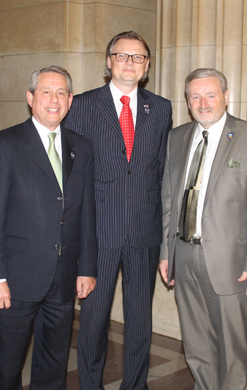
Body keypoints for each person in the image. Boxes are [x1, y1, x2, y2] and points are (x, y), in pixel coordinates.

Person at [63, 31, 173, 389]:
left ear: (147, 66)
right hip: (98, 234)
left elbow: (160, 171)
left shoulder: (160, 108)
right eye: (122, 56)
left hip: (144, 232)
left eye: (138, 57)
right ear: (108, 61)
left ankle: (135, 385)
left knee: (140, 322)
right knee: (93, 322)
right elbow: (71, 176)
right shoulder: (80, 105)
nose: (130, 63)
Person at [0, 65, 97, 390]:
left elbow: (86, 212)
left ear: (70, 100)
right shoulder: (6, 144)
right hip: (14, 281)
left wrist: (86, 268)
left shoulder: (81, 147)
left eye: (61, 93)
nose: (54, 100)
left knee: (53, 365)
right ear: (31, 98)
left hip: (61, 281)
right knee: (5, 367)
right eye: (46, 92)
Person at [159, 68, 247, 390]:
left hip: (233, 263)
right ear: (187, 101)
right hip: (183, 255)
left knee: (234, 348)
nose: (203, 102)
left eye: (211, 94)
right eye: (195, 96)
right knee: (197, 343)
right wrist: (165, 252)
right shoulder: (177, 137)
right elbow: (169, 199)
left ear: (226, 97)